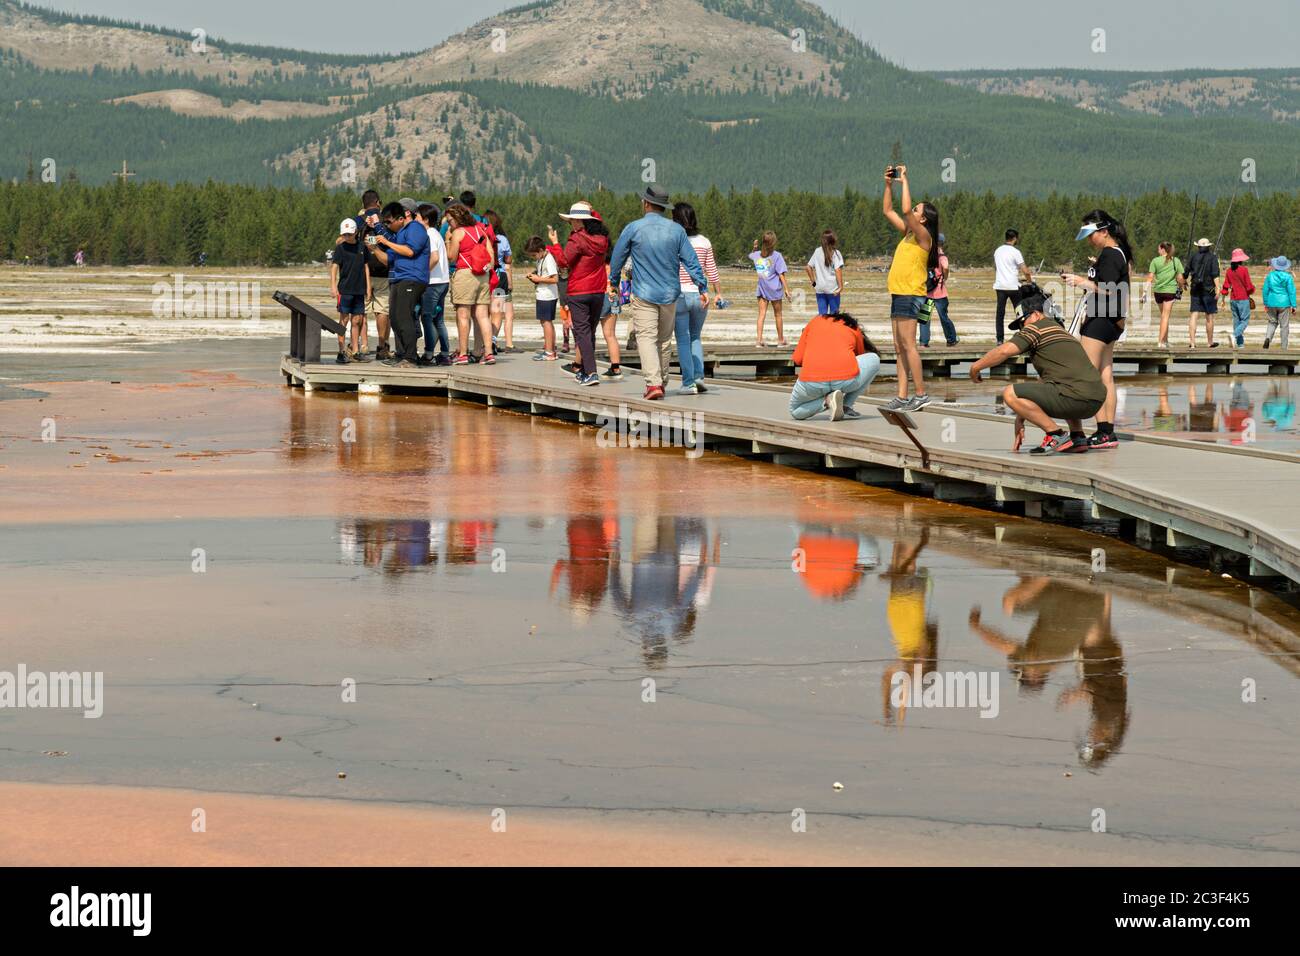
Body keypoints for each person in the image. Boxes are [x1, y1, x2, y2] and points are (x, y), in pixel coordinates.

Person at [968, 284, 1107, 454]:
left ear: (1036, 314)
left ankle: (1055, 435)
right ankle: (1077, 437)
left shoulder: (1036, 328)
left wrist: (976, 367)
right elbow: (1046, 385)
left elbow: (1004, 351)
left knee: (1009, 393)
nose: (1022, 327)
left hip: (1076, 397)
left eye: (1022, 321)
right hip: (1096, 400)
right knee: (1064, 385)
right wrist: (1020, 418)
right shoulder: (1060, 331)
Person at [606, 184, 708, 401]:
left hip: (644, 293)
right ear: (664, 207)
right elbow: (691, 261)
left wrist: (613, 282)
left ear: (646, 203)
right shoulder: (677, 230)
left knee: (646, 337)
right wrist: (702, 286)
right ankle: (661, 380)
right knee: (663, 339)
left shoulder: (634, 228)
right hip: (670, 294)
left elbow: (617, 257)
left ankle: (653, 384)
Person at [1062, 209, 1133, 449]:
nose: (1090, 241)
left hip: (1101, 320)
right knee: (1105, 375)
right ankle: (1106, 432)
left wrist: (1083, 283)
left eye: (1091, 235)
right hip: (1112, 321)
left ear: (1103, 232)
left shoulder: (1110, 255)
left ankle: (1079, 432)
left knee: (1086, 375)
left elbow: (1111, 290)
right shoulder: (1117, 254)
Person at [881, 163, 938, 412]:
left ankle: (921, 393)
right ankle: (902, 396)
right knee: (898, 346)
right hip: (898, 292)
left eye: (917, 210)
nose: (912, 212)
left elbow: (904, 209)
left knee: (908, 344)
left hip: (911, 293)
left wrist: (904, 180)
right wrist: (887, 185)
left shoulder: (924, 236)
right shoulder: (907, 234)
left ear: (923, 218)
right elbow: (888, 210)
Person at [546, 201, 610, 387]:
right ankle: (584, 371)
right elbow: (598, 222)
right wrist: (592, 209)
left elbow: (564, 261)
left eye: (572, 220)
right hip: (598, 290)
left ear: (579, 221)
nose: (571, 224)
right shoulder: (602, 239)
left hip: (579, 291)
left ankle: (591, 372)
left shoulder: (577, 239)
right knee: (589, 331)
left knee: (581, 332)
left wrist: (556, 244)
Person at [367, 201, 429, 368]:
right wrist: (374, 249)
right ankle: (401, 353)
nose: (387, 225)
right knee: (394, 317)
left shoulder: (415, 228)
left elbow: (410, 251)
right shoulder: (400, 234)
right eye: (385, 222)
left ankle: (410, 357)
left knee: (404, 317)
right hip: (398, 279)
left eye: (389, 221)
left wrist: (386, 243)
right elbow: (388, 259)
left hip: (412, 278)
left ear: (401, 218)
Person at [788, 311, 880, 421]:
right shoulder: (852, 326)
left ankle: (827, 401)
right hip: (846, 381)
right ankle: (846, 405)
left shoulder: (814, 322)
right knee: (874, 358)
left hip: (811, 383)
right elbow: (859, 356)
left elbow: (798, 360)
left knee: (794, 411)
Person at [672, 201, 721, 395]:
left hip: (680, 294)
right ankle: (700, 376)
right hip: (701, 295)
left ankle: (689, 382)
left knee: (683, 339)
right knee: (695, 337)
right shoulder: (704, 241)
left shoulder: (674, 239)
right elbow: (712, 270)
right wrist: (718, 292)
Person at [445, 203, 498, 366]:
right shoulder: (480, 230)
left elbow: (452, 257)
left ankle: (462, 354)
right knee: (482, 316)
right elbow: (491, 257)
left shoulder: (458, 233)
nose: (449, 224)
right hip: (482, 275)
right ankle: (488, 353)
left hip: (465, 274)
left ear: (457, 218)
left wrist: (448, 240)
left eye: (450, 220)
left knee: (463, 315)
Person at [354, 190, 391, 360]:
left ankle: (362, 345)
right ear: (378, 202)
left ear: (363, 204)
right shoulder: (384, 220)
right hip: (384, 270)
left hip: (364, 271)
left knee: (362, 310)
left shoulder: (359, 221)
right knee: (382, 310)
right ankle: (382, 346)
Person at [330, 218, 371, 364]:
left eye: (349, 234)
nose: (347, 237)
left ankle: (355, 351)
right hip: (345, 289)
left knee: (357, 320)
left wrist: (368, 286)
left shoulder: (362, 247)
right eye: (344, 234)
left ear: (355, 232)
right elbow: (334, 267)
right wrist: (333, 286)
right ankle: (341, 351)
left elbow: (366, 266)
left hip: (359, 289)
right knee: (344, 320)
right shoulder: (340, 248)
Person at [416, 203, 451, 365]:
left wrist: (422, 272)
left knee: (427, 317)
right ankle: (444, 353)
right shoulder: (436, 233)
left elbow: (434, 258)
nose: (415, 220)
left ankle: (429, 354)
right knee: (439, 319)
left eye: (417, 217)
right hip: (443, 281)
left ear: (426, 219)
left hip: (433, 283)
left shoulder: (429, 234)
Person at [485, 209, 517, 353]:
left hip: (484, 275)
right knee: (497, 311)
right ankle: (492, 340)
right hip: (500, 276)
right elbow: (508, 259)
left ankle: (483, 341)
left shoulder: (481, 237)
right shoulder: (502, 239)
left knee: (483, 311)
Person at [750, 232, 789, 347]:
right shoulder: (777, 256)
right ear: (773, 243)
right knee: (778, 315)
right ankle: (780, 340)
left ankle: (759, 340)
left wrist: (754, 248)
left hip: (762, 288)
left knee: (761, 314)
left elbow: (752, 256)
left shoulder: (758, 255)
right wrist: (786, 289)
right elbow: (781, 274)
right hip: (775, 288)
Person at [919, 232, 958, 348]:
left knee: (925, 318)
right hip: (940, 293)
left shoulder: (926, 255)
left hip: (927, 292)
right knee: (944, 317)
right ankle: (951, 339)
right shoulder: (942, 257)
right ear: (942, 243)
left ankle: (923, 342)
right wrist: (944, 277)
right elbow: (945, 267)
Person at [993, 228, 1032, 344]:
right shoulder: (1015, 252)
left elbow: (1000, 268)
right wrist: (1029, 281)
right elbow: (1026, 270)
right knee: (1020, 312)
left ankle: (999, 339)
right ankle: (1024, 336)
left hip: (1000, 286)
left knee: (1000, 313)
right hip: (1013, 287)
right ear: (1015, 238)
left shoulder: (997, 251)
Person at [524, 235, 560, 361]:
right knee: (545, 322)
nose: (533, 258)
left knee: (546, 322)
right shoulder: (542, 259)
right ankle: (551, 349)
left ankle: (549, 352)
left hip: (547, 295)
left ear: (540, 250)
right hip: (543, 294)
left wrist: (538, 279)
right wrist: (535, 275)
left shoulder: (549, 259)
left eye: (534, 255)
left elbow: (555, 279)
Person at [1144, 241, 1185, 348]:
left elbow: (1150, 277)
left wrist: (1144, 292)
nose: (1158, 251)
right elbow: (1180, 278)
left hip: (1158, 291)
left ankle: (1165, 341)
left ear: (1163, 249)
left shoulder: (1155, 261)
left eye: (1158, 249)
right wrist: (1180, 288)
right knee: (1165, 317)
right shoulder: (1176, 261)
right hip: (1169, 291)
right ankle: (1160, 342)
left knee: (1164, 316)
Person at [1183, 237, 1220, 349]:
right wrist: (1218, 288)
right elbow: (1215, 274)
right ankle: (1209, 342)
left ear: (1198, 246)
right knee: (1209, 316)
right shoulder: (1213, 257)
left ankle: (1192, 343)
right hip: (1208, 289)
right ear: (1209, 246)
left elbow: (1186, 272)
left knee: (1194, 315)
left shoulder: (1193, 257)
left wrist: (1184, 282)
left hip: (1195, 288)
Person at [1220, 248, 1256, 349]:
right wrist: (1253, 290)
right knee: (1244, 320)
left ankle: (1240, 344)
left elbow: (1225, 286)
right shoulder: (1244, 270)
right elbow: (1249, 286)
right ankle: (1234, 335)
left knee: (1236, 321)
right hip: (1243, 298)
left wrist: (1222, 299)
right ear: (1241, 259)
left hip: (1233, 299)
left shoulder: (1229, 271)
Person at [805, 229, 844, 316]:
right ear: (832, 240)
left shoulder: (817, 251)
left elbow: (808, 267)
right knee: (834, 316)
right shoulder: (836, 253)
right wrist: (840, 287)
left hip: (820, 288)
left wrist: (814, 283)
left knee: (822, 316)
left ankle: (822, 329)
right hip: (832, 289)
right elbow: (838, 270)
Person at [1262, 255, 1296, 350]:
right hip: (1284, 304)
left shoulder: (1270, 275)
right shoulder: (1288, 277)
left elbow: (1265, 290)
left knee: (1272, 322)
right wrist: (1293, 305)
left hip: (1271, 302)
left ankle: (1268, 338)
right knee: (1284, 326)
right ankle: (1284, 347)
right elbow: (1291, 292)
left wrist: (1265, 303)